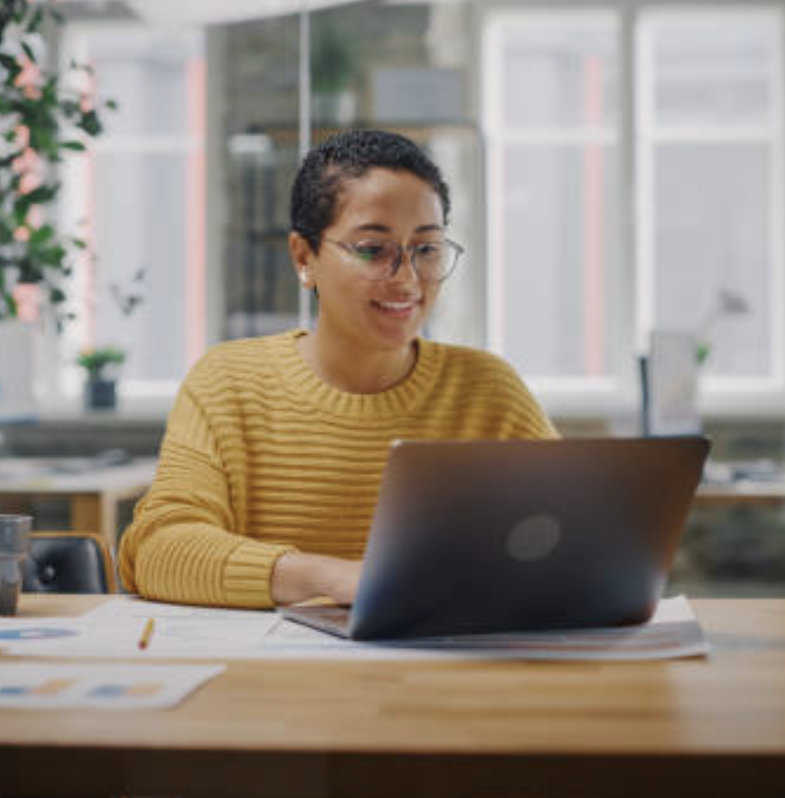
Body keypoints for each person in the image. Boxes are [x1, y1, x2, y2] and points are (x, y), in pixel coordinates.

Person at [118, 129, 557, 609]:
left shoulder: (487, 390)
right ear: (304, 257)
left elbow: (575, 540)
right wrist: (338, 579)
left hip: (448, 671)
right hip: (277, 679)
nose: (407, 279)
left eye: (426, 250)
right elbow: (160, 550)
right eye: (373, 250)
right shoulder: (228, 384)